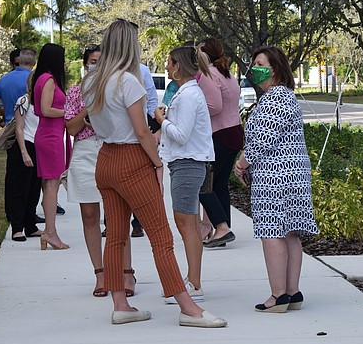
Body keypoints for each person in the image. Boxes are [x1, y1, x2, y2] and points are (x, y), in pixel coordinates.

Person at [82, 19, 225, 327]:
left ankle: (120, 304)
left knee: (116, 236)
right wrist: (157, 164)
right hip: (131, 159)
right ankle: (189, 308)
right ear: (129, 45)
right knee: (161, 236)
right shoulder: (128, 81)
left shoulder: (92, 81)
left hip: (104, 158)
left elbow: (91, 123)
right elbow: (142, 131)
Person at [233, 46, 317, 313]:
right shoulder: (285, 97)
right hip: (291, 176)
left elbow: (261, 141)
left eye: (259, 63)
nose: (254, 68)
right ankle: (292, 293)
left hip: (275, 177)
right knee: (290, 233)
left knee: (272, 232)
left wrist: (241, 164)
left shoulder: (274, 98)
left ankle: (278, 295)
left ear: (275, 68)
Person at [65, 45, 136, 297]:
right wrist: (88, 108)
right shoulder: (75, 91)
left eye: (100, 61)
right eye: (92, 61)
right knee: (89, 214)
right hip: (84, 152)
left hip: (110, 149)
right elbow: (72, 128)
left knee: (117, 214)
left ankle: (126, 272)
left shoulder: (116, 87)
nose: (96, 65)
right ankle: (100, 273)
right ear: (85, 64)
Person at [154, 45, 213, 303]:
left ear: (178, 66)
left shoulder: (189, 95)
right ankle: (193, 280)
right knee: (185, 222)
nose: (166, 67)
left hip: (188, 163)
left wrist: (161, 121)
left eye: (168, 62)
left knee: (186, 223)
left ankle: (195, 283)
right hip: (184, 162)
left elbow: (181, 134)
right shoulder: (186, 93)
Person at [0, 48, 38, 236]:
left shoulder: (5, 79)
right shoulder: (32, 80)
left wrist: (0, 122)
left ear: (18, 61)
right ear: (33, 62)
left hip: (12, 132)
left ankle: (14, 217)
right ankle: (26, 221)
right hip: (30, 132)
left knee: (14, 178)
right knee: (32, 182)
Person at [197, 38, 243, 248]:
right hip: (234, 130)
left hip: (220, 133)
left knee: (203, 183)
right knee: (220, 182)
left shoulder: (209, 74)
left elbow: (214, 106)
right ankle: (223, 229)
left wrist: (192, 113)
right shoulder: (227, 73)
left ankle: (221, 227)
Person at [31, 43, 70, 250]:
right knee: (52, 185)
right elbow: (46, 109)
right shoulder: (48, 80)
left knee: (49, 186)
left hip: (49, 135)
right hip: (50, 137)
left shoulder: (42, 79)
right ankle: (51, 233)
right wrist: (67, 112)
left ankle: (49, 232)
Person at [10, 89, 43, 241]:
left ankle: (30, 225)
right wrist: (24, 152)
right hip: (25, 146)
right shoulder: (23, 101)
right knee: (20, 189)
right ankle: (17, 228)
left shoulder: (43, 102)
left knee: (34, 189)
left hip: (39, 148)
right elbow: (19, 128)